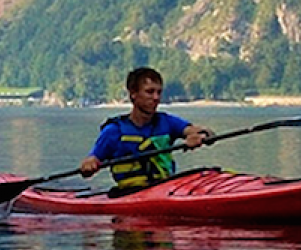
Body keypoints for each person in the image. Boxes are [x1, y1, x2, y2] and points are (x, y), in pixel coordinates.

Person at [77, 66, 212, 190]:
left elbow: (204, 132)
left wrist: (200, 136)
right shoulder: (114, 131)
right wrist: (89, 165)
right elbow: (92, 159)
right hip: (130, 195)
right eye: (149, 92)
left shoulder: (167, 122)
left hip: (165, 189)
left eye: (159, 92)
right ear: (133, 94)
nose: (156, 98)